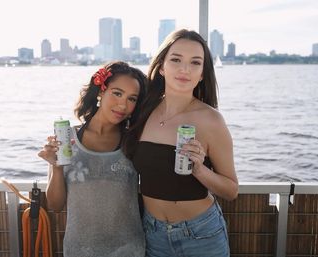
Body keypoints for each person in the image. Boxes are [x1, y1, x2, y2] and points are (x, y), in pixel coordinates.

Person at [123, 29, 239, 256]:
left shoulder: (211, 120)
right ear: (162, 66)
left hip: (201, 234)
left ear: (202, 74)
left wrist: (199, 169)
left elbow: (231, 190)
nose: (184, 69)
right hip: (152, 232)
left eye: (195, 63)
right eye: (176, 60)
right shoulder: (142, 112)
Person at [38, 61, 147, 257]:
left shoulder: (135, 141)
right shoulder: (68, 140)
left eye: (132, 99)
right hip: (79, 250)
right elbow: (55, 205)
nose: (123, 105)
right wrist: (56, 168)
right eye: (117, 93)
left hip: (129, 251)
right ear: (100, 92)